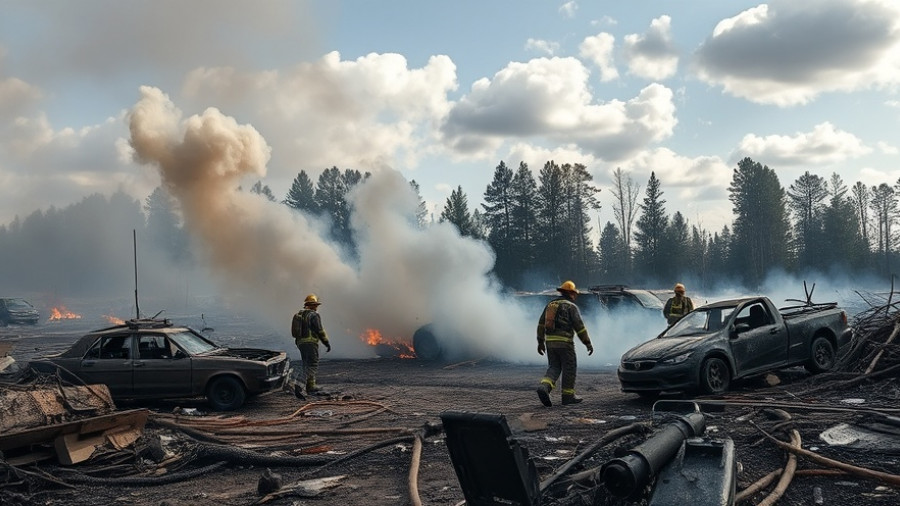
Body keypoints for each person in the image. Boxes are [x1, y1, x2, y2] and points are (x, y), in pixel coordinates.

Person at [535, 280, 594, 407]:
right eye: (574, 293)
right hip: (565, 344)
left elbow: (541, 324)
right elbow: (580, 327)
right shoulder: (571, 307)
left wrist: (540, 342)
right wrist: (587, 343)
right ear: (571, 293)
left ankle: (544, 387)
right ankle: (568, 396)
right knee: (569, 368)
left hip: (550, 343)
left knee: (554, 367)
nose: (575, 296)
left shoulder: (550, 305)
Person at [291, 294, 331, 396]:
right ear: (313, 305)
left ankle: (310, 387)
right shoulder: (314, 315)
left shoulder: (300, 314)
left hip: (301, 343)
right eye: (316, 305)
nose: (317, 307)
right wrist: (326, 342)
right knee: (312, 363)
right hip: (310, 343)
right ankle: (299, 384)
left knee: (306, 363)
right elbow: (319, 330)